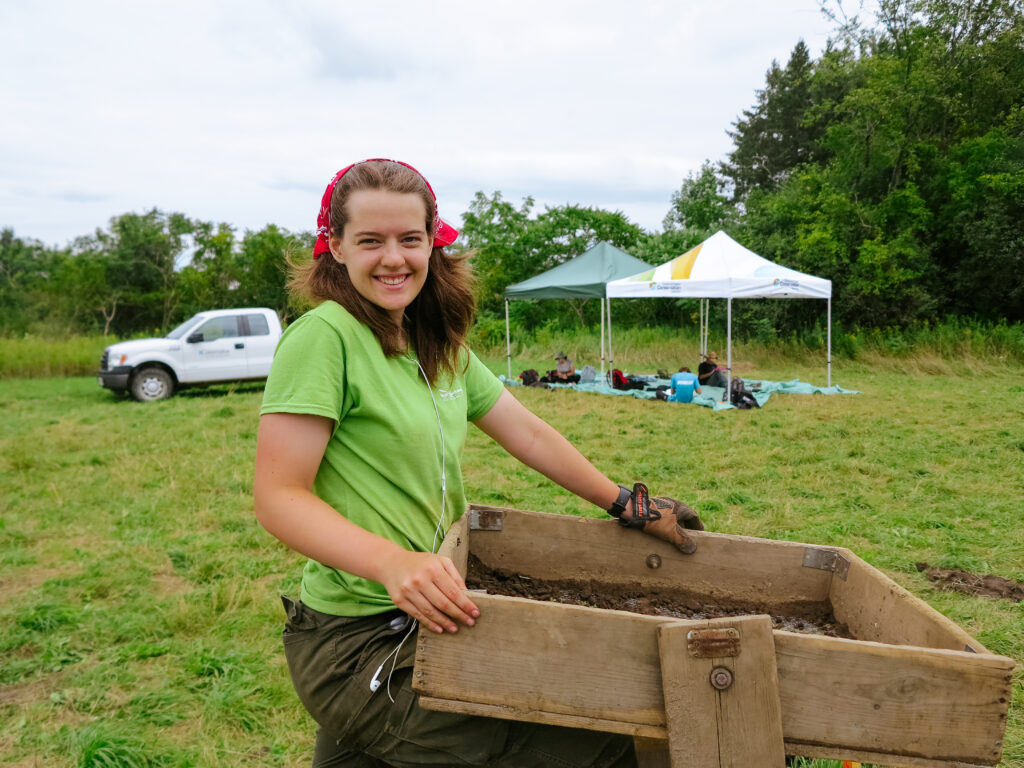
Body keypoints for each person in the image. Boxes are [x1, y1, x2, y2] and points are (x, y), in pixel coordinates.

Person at [253, 159, 705, 768]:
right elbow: (279, 496)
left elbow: (530, 434)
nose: (394, 258)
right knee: (598, 742)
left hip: (427, 611)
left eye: (410, 240)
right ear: (335, 247)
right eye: (371, 241)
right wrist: (392, 563)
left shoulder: (433, 345)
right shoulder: (323, 337)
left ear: (433, 244)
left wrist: (624, 503)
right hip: (359, 639)